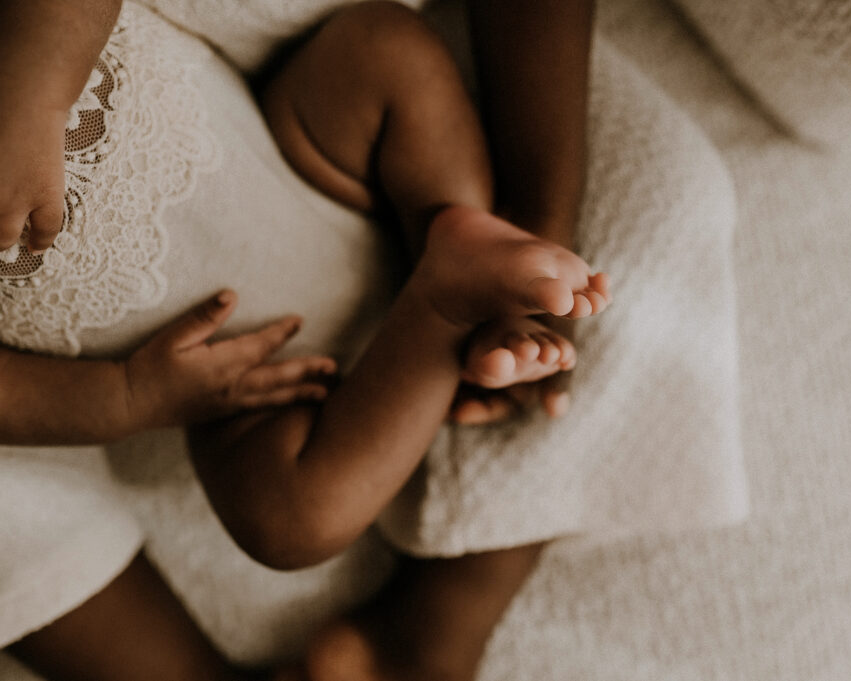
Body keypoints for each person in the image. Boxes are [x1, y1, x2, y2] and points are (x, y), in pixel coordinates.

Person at [0, 1, 602, 680]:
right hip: (232, 371)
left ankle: (453, 224)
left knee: (382, 52)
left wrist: (38, 90)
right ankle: (447, 299)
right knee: (289, 522)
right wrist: (124, 396)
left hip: (303, 157)